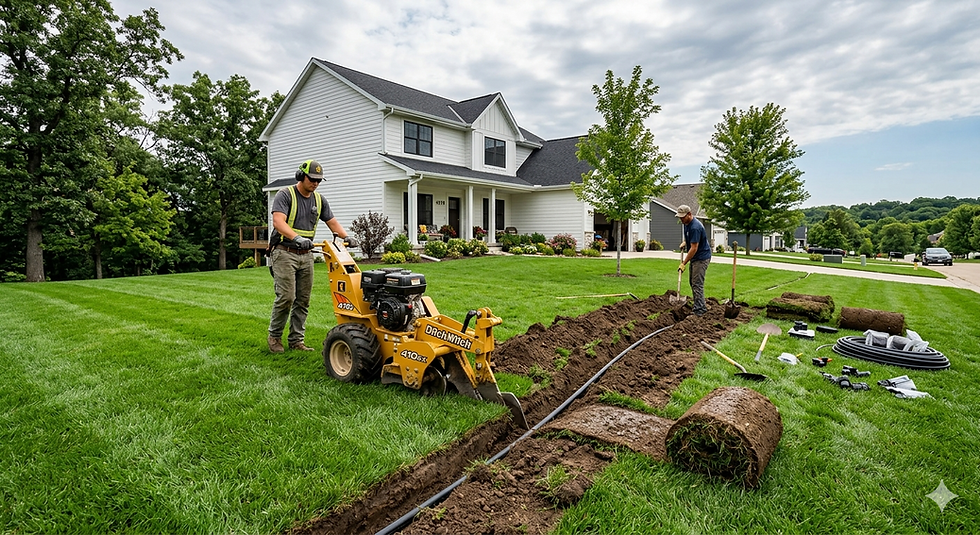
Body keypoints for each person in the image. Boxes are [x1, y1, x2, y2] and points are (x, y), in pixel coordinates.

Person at [267, 159, 353, 353]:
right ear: (301, 176)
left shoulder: (319, 200)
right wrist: (296, 238)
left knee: (303, 299)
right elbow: (278, 222)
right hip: (284, 252)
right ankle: (274, 337)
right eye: (312, 179)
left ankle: (297, 340)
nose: (315, 183)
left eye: (319, 180)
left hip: (306, 255)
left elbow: (332, 222)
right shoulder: (285, 195)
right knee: (286, 297)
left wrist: (347, 236)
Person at [676, 204, 711, 316]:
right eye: (680, 217)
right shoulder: (686, 223)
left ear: (689, 214)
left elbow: (694, 248)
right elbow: (692, 240)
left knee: (697, 283)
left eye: (683, 217)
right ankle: (699, 305)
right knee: (693, 282)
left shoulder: (695, 227)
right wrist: (685, 242)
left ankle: (700, 310)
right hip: (696, 257)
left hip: (701, 258)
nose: (681, 219)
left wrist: (683, 263)